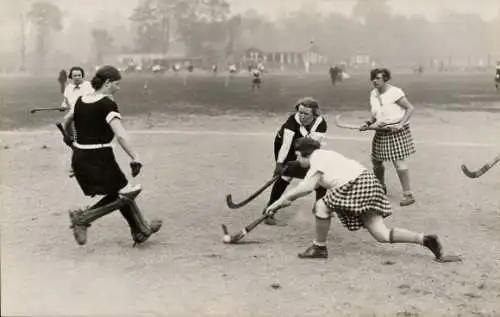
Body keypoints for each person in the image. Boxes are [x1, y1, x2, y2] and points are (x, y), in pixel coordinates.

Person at [264, 138, 459, 262]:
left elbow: (306, 187)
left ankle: (319, 248)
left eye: (299, 157)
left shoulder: (317, 158)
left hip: (356, 184)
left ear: (305, 153)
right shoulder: (325, 156)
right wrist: (286, 198)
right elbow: (310, 183)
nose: (299, 161)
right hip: (368, 182)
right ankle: (425, 239)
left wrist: (278, 203)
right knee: (381, 234)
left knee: (322, 206)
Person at [60, 65, 162, 247]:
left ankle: (141, 231)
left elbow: (67, 121)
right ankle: (83, 218)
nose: (118, 87)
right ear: (107, 83)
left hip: (81, 157)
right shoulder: (108, 104)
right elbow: (120, 135)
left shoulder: (81, 100)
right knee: (128, 192)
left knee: (120, 191)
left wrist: (70, 139)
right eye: (116, 83)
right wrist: (135, 156)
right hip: (99, 159)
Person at [263, 97, 328, 226]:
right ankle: (269, 210)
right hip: (283, 144)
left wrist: (306, 163)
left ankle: (320, 208)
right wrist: (280, 164)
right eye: (300, 112)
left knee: (320, 176)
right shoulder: (292, 122)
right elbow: (286, 145)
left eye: (306, 114)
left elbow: (312, 146)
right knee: (285, 176)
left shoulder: (321, 123)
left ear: (315, 115)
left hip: (305, 146)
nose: (302, 116)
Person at [360, 68, 416, 206]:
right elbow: (376, 113)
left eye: (378, 78)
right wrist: (368, 123)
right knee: (376, 161)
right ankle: (380, 188)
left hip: (395, 130)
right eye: (373, 78)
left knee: (398, 162)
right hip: (380, 130)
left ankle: (408, 195)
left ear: (385, 79)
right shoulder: (373, 93)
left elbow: (410, 108)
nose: (374, 80)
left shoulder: (395, 92)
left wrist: (401, 124)